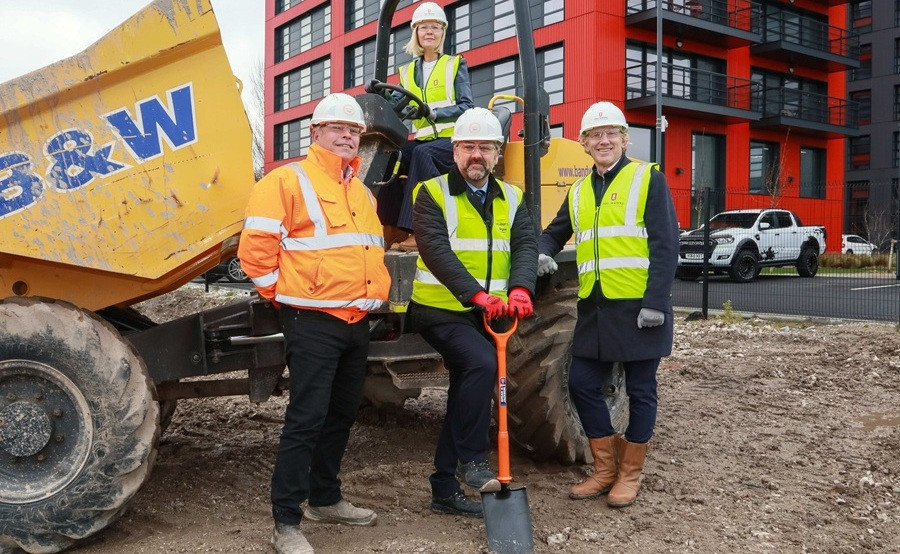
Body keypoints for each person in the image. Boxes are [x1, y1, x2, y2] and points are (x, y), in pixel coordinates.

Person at [238, 93, 391, 554]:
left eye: (355, 131)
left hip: (355, 321)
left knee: (342, 414)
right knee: (306, 419)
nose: (348, 136)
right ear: (316, 133)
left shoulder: (361, 192)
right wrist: (284, 296)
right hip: (312, 321)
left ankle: (325, 498)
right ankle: (286, 522)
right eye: (338, 129)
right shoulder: (286, 181)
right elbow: (256, 252)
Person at [536, 101, 679, 508]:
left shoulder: (646, 178)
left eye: (610, 133)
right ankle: (604, 470)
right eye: (595, 135)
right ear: (583, 143)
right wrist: (544, 251)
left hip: (638, 308)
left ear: (623, 138)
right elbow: (554, 231)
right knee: (581, 382)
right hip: (596, 308)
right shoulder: (579, 189)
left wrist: (656, 302)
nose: (603, 141)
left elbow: (666, 245)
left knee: (640, 389)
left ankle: (629, 474)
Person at [407, 107, 537, 517]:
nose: (476, 155)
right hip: (440, 308)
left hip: (490, 313)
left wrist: (520, 287)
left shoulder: (513, 197)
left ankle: (444, 488)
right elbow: (436, 250)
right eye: (467, 147)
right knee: (482, 365)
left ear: (498, 154)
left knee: (469, 389)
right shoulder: (431, 192)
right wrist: (476, 295)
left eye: (485, 147)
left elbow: (526, 246)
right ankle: (471, 460)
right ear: (454, 151)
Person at [378, 1, 474, 251]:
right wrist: (383, 96)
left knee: (421, 154)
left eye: (434, 27)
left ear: (442, 32)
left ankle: (421, 229)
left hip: (453, 142)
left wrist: (435, 112)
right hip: (424, 140)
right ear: (416, 33)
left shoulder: (455, 65)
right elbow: (399, 104)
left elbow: (466, 106)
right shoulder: (407, 71)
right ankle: (391, 226)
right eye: (423, 27)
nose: (429, 32)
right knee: (391, 155)